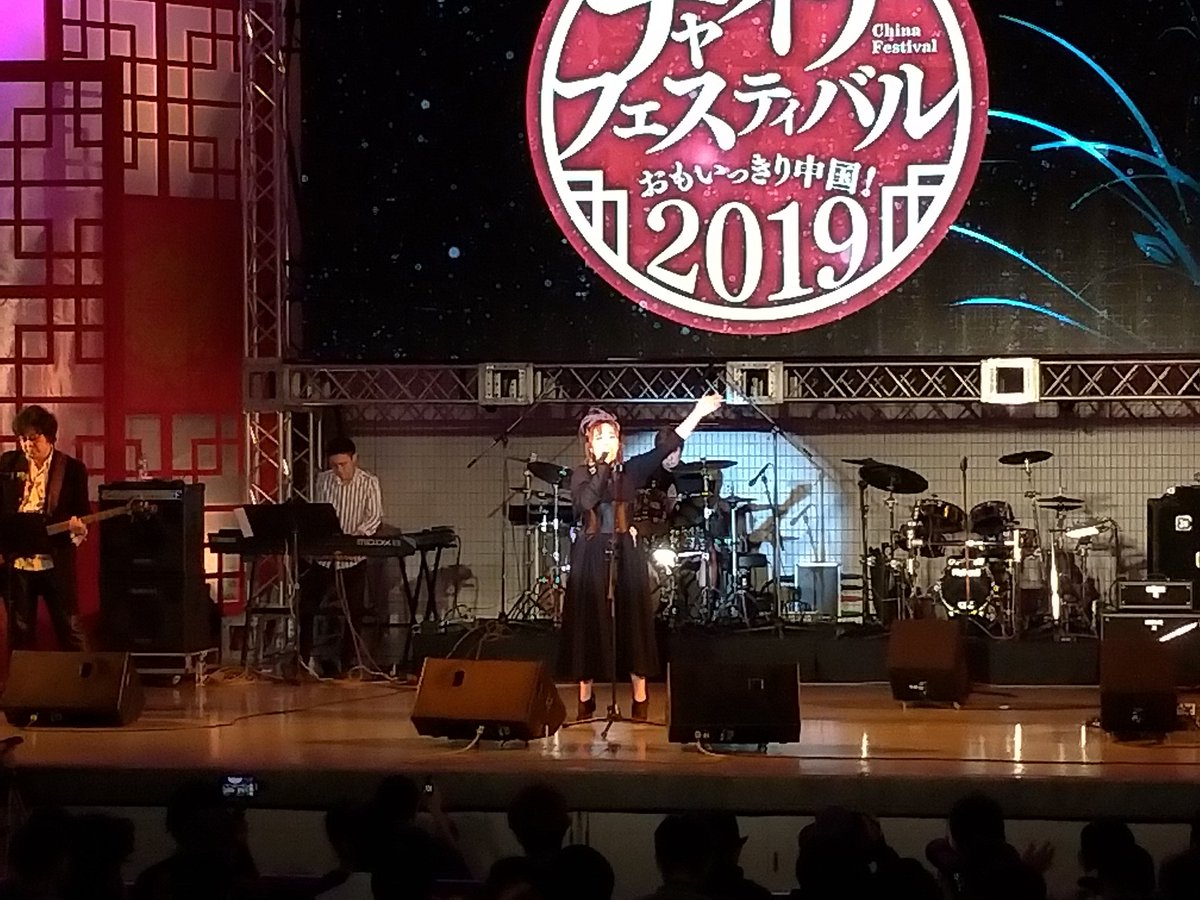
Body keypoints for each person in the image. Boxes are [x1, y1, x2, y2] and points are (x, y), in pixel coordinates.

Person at [559, 392, 723, 721]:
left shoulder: (631, 471)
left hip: (626, 549)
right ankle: (586, 698)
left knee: (632, 620)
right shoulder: (579, 474)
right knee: (590, 621)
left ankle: (640, 697)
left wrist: (698, 412)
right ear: (590, 444)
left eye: (612, 435)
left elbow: (668, 445)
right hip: (591, 552)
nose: (607, 441)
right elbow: (586, 502)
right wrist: (602, 467)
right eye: (600, 436)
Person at [0, 405, 91, 651]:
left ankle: (82, 675)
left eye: (34, 438)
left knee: (70, 628)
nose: (28, 445)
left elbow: (83, 513)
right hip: (17, 562)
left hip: (55, 559)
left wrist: (78, 529)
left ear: (49, 437)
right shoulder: (8, 464)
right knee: (20, 633)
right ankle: (24, 676)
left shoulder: (71, 469)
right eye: (23, 439)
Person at [299, 436, 382, 676]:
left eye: (343, 465)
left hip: (352, 558)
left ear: (354, 459)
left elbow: (374, 517)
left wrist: (352, 539)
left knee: (354, 613)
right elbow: (317, 513)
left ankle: (347, 664)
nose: (339, 470)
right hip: (324, 558)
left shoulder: (369, 483)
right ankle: (302, 661)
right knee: (306, 607)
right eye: (334, 465)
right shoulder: (323, 480)